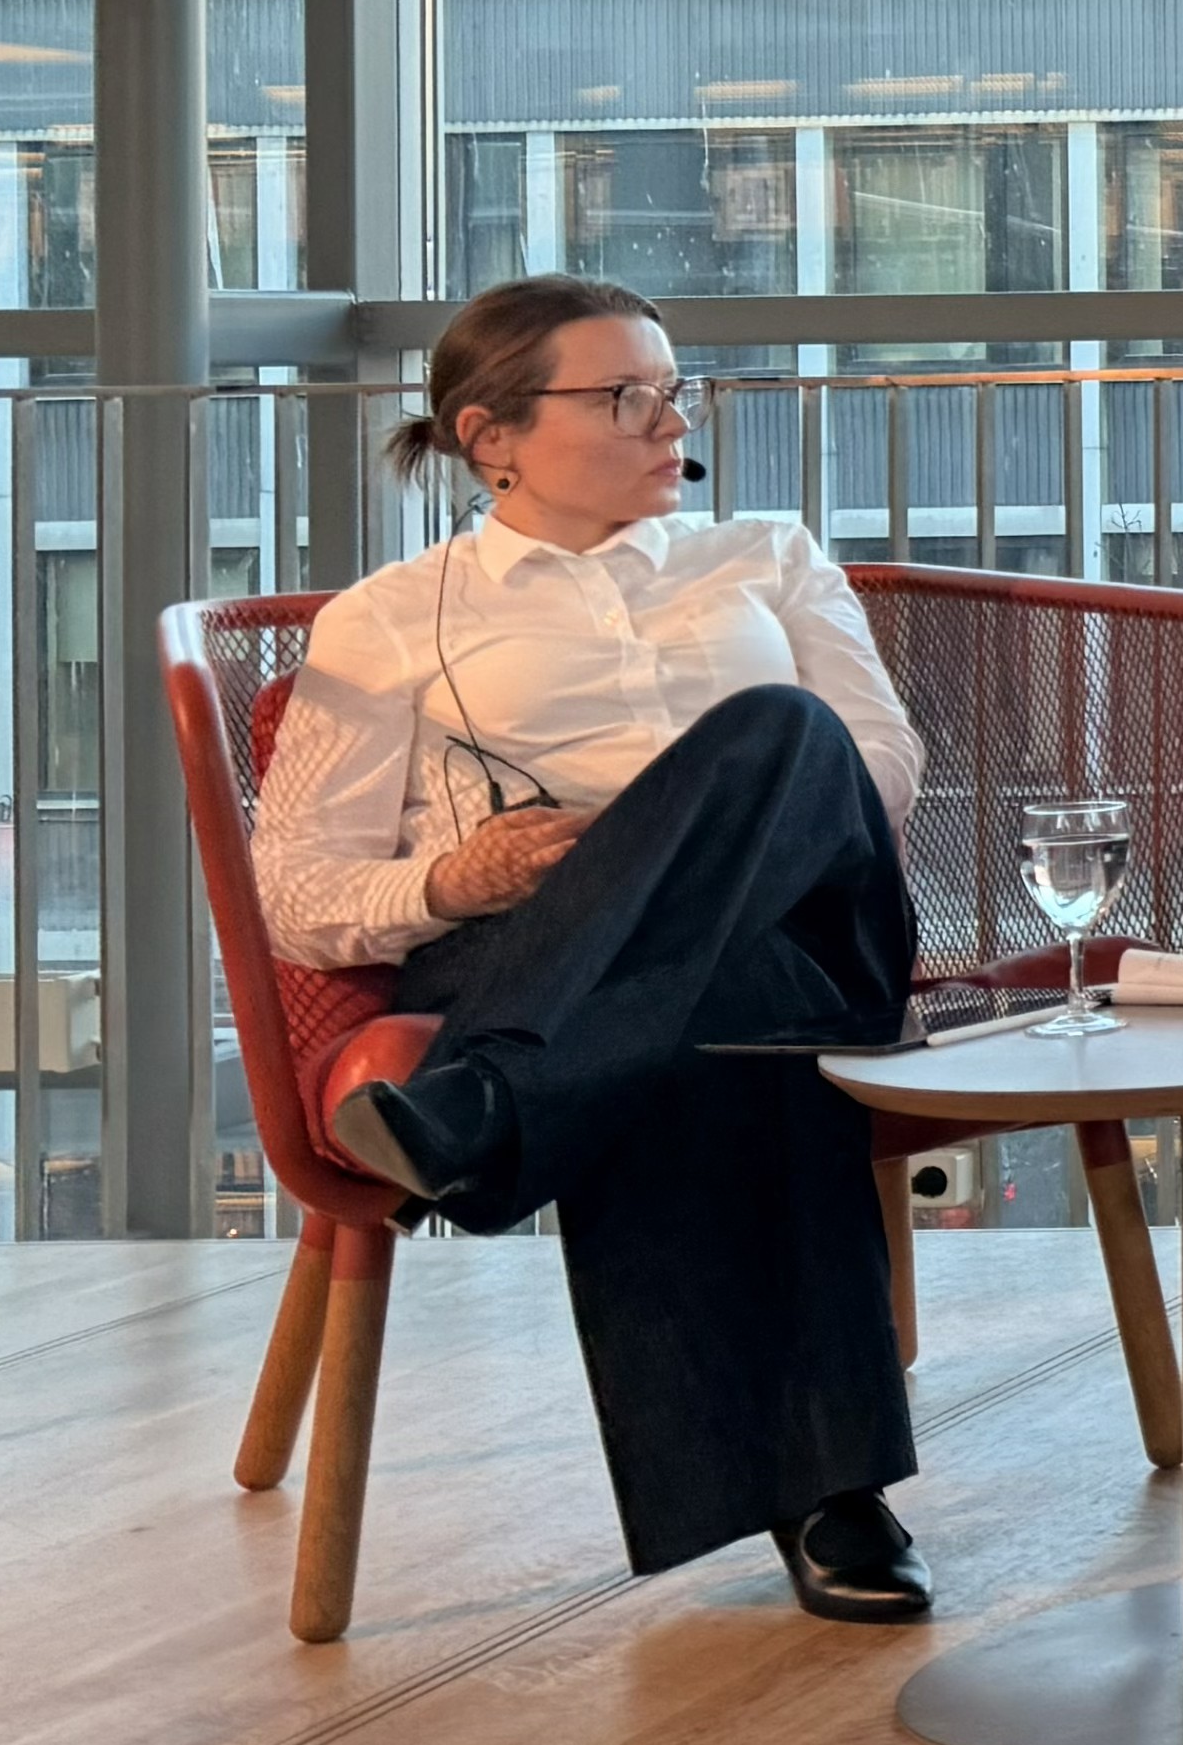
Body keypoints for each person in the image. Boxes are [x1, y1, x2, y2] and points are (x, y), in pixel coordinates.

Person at [253, 276, 943, 1622]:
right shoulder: (390, 618)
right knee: (725, 1006)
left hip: (816, 912)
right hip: (538, 947)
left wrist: (667, 839)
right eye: (625, 395)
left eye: (674, 390)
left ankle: (489, 1108)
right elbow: (302, 891)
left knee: (785, 734)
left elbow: (884, 767)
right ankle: (833, 1494)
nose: (667, 421)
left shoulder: (767, 552)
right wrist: (455, 873)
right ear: (490, 433)